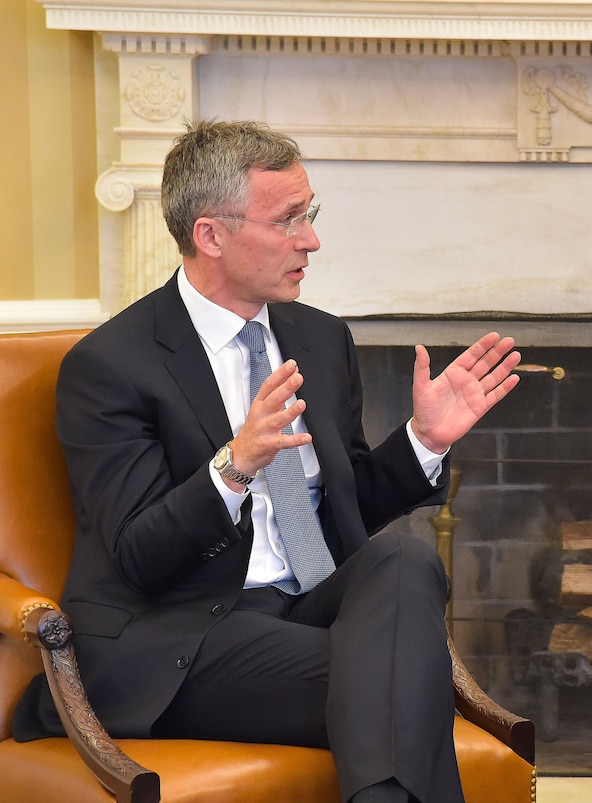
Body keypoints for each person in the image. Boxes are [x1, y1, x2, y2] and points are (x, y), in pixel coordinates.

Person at [14, 119, 521, 803]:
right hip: (186, 635)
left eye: (309, 214)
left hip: (306, 600)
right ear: (210, 234)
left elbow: (348, 507)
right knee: (403, 675)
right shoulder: (110, 367)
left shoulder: (319, 337)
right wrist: (235, 466)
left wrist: (425, 441)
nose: (311, 239)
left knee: (403, 559)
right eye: (287, 220)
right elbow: (139, 554)